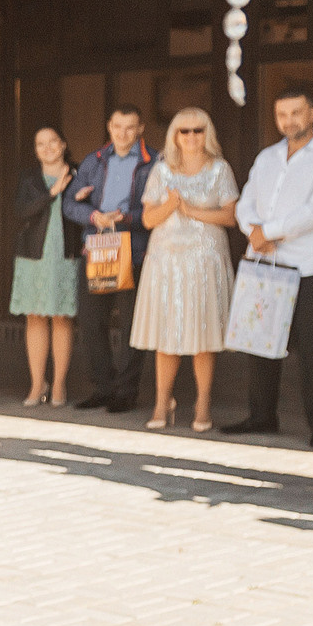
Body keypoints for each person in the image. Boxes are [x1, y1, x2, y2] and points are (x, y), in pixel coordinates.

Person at [227, 89, 313, 438]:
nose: (288, 120)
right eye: (282, 114)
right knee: (260, 342)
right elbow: (244, 202)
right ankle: (262, 416)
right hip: (263, 260)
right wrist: (253, 232)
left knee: (311, 351)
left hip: (307, 265)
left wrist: (270, 231)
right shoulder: (267, 156)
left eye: (296, 113)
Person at [129, 107, 239, 431]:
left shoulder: (220, 169)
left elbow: (230, 217)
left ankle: (203, 402)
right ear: (174, 135)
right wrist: (170, 205)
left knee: (203, 335)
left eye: (198, 130)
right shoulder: (162, 171)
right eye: (184, 131)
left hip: (206, 260)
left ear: (208, 134)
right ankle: (163, 401)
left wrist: (189, 209)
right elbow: (148, 219)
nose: (191, 137)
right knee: (167, 335)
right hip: (167, 261)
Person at [67, 106, 156, 411]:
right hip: (96, 248)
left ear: (140, 128)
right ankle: (102, 388)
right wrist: (93, 215)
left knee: (132, 325)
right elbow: (69, 203)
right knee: (92, 322)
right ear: (109, 126)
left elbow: (155, 212)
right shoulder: (95, 161)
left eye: (130, 127)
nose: (123, 133)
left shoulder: (152, 162)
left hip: (133, 249)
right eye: (117, 126)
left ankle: (126, 392)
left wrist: (126, 218)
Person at [10, 126, 80, 406]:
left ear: (63, 144)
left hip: (67, 253)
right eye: (41, 144)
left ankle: (60, 384)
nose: (47, 148)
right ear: (35, 149)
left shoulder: (77, 174)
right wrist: (52, 192)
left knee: (62, 317)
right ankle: (37, 383)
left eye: (53, 142)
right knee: (35, 317)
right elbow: (20, 211)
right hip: (33, 255)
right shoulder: (28, 177)